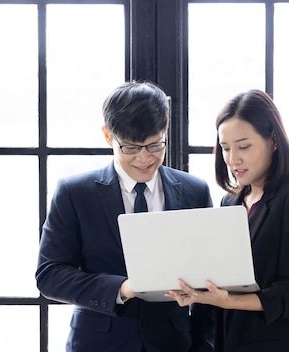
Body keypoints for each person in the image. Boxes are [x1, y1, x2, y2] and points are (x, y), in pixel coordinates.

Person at [36, 81, 215, 352]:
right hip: (98, 343)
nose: (144, 158)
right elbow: (50, 275)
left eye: (155, 146)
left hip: (175, 344)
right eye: (131, 148)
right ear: (108, 136)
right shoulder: (75, 193)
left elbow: (209, 278)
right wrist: (122, 288)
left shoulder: (195, 191)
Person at [165, 89, 289, 352]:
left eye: (244, 147)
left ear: (273, 140)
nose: (233, 159)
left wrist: (228, 300)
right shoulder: (230, 202)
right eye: (225, 148)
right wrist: (197, 290)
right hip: (229, 341)